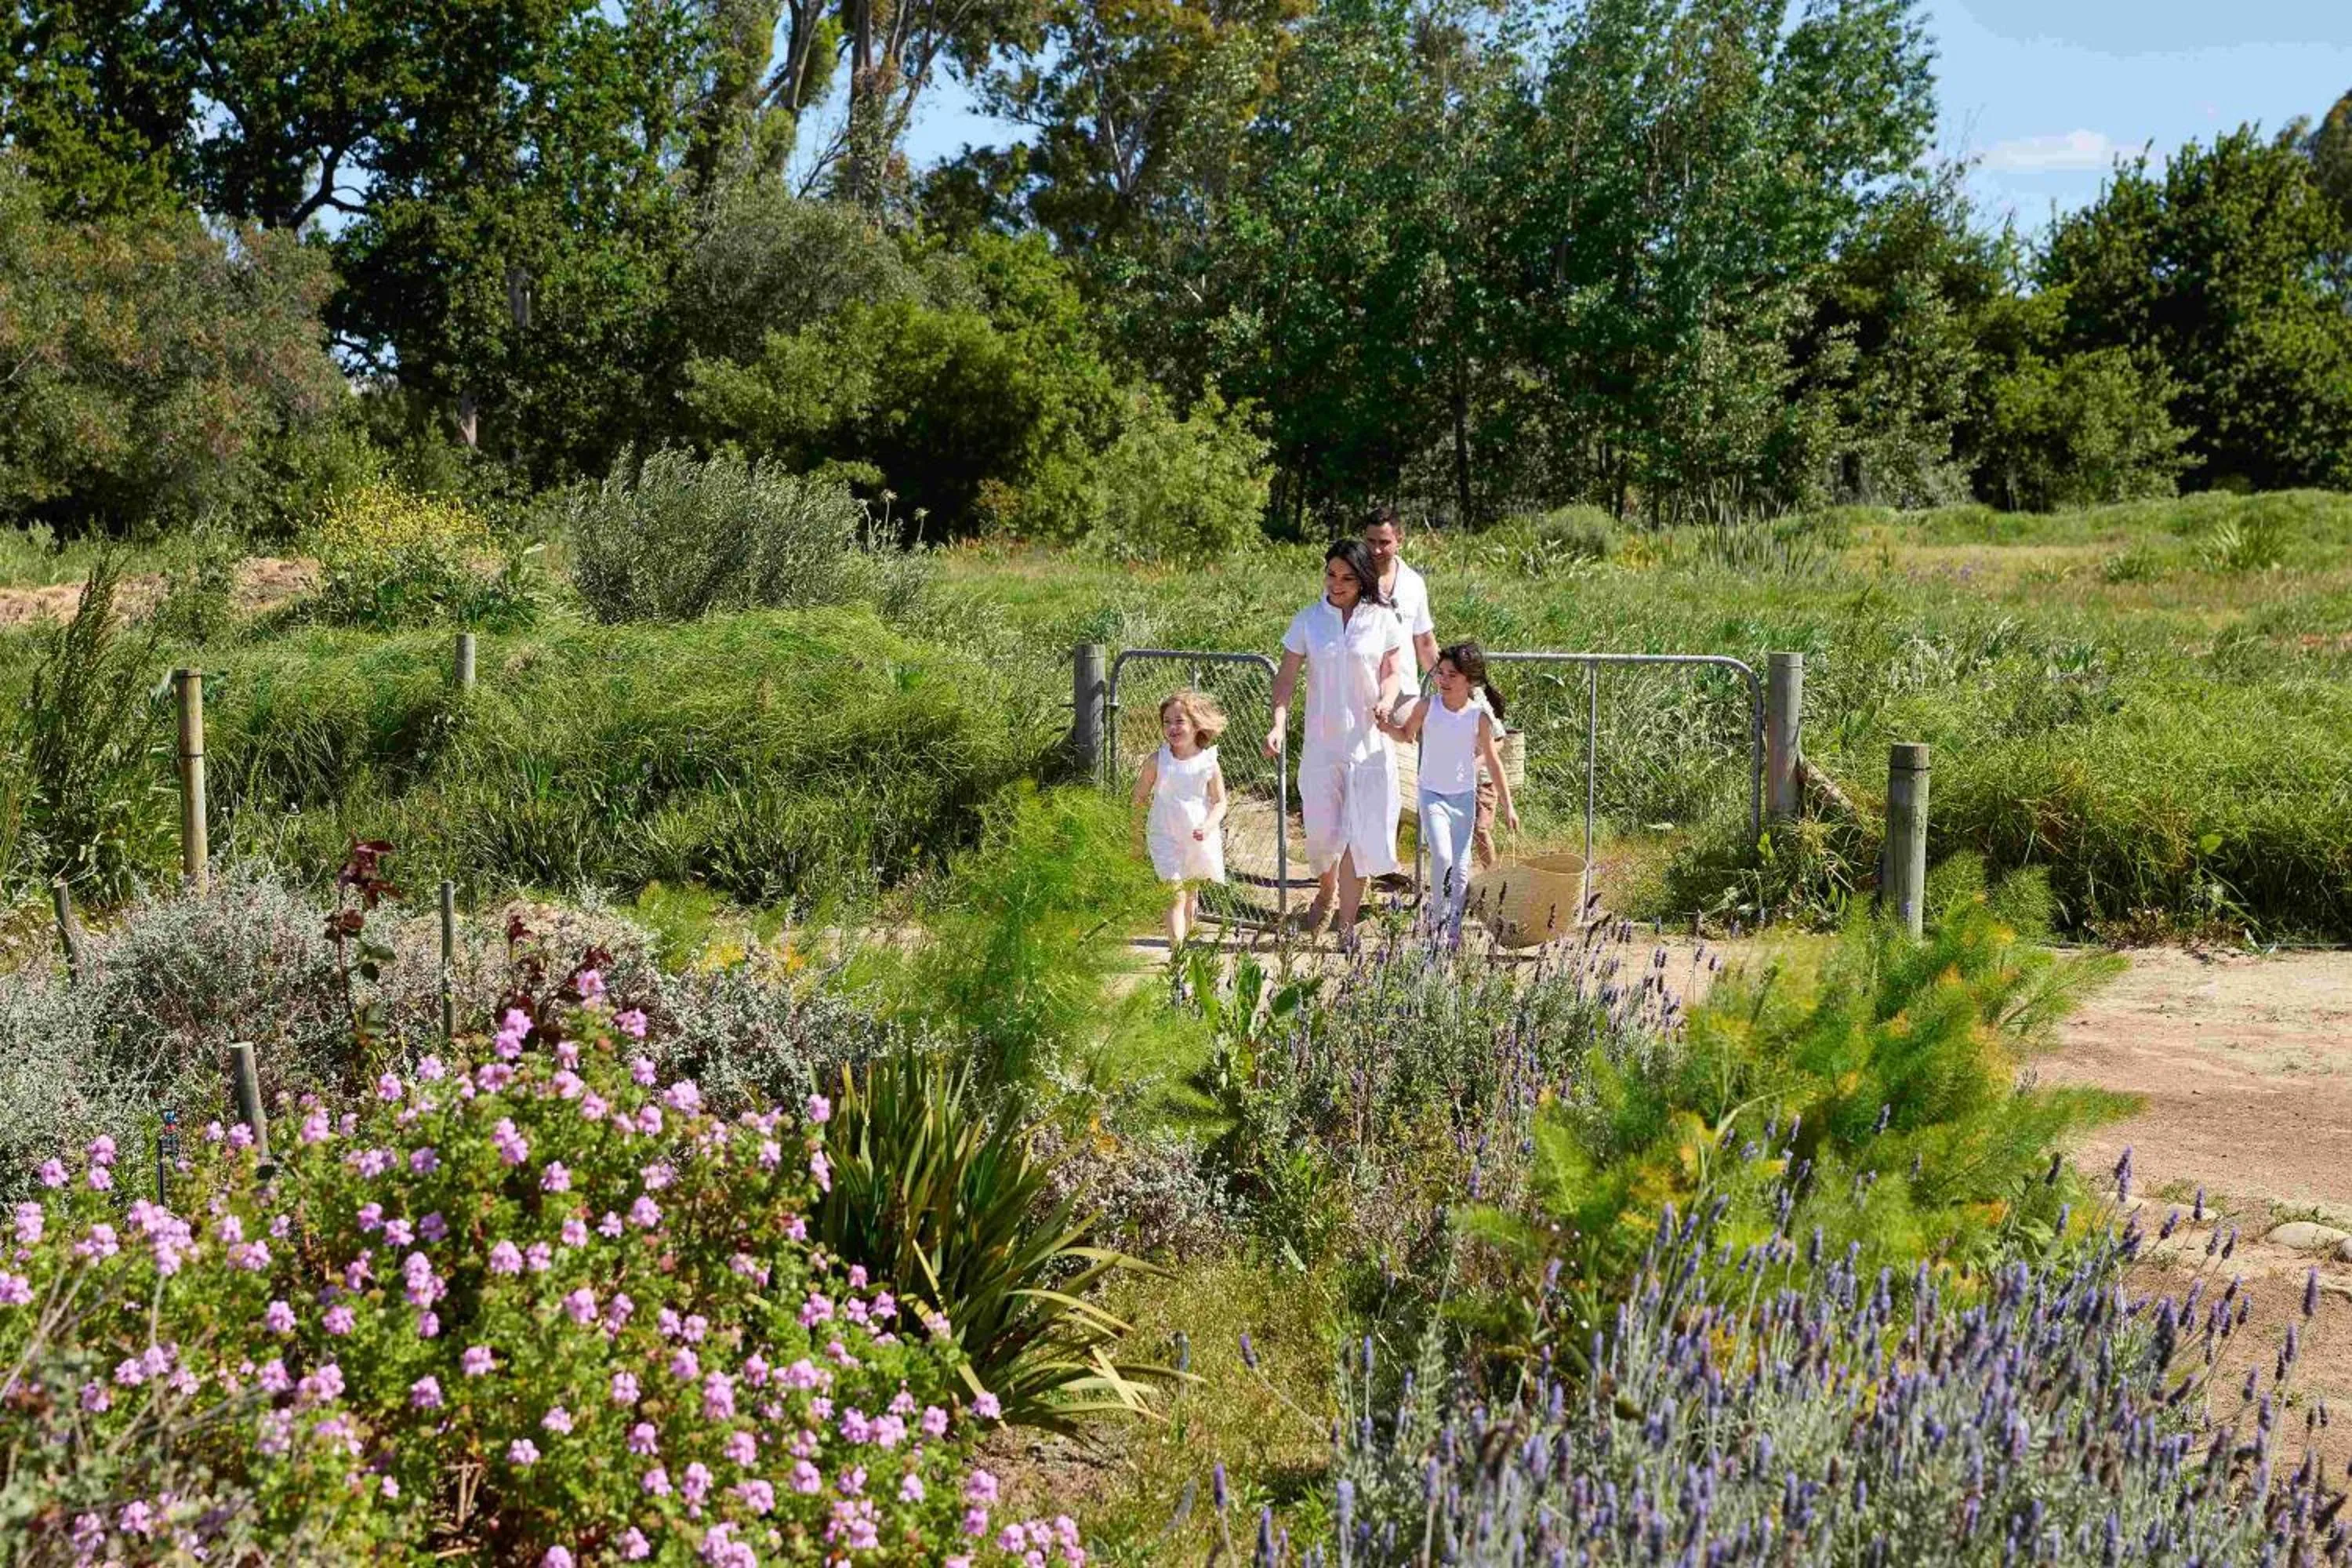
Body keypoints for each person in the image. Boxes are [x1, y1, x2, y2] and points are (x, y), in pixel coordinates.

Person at [1265, 540, 1407, 938]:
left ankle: (1346, 927)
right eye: (1331, 574)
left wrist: (1387, 698)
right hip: (1322, 746)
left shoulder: (1382, 620)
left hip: (1369, 746)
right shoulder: (1308, 621)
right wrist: (1278, 724)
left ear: (1362, 580)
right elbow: (1286, 680)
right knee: (1324, 834)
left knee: (1360, 838)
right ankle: (1326, 888)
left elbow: (1393, 671)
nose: (1337, 583)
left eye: (1347, 577)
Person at [1383, 642, 1519, 939]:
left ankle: (1452, 934)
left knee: (1460, 869)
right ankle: (1437, 926)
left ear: (1468, 680)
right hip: (1432, 794)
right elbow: (1406, 735)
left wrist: (1509, 806)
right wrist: (1383, 726)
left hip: (1464, 798)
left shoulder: (1478, 717)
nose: (1443, 680)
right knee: (1442, 857)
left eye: (1452, 675)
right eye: (1440, 673)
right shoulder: (1427, 706)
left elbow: (1494, 763)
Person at [1134, 690, 1229, 951]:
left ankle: (1185, 946)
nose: (1172, 727)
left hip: (1196, 837)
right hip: (1164, 835)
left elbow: (1220, 802)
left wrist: (1208, 826)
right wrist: (1135, 836)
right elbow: (1138, 799)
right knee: (1175, 894)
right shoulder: (1158, 761)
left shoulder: (1208, 762)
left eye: (1179, 721)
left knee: (1189, 899)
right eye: (1167, 722)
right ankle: (1177, 957)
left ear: (1195, 724)